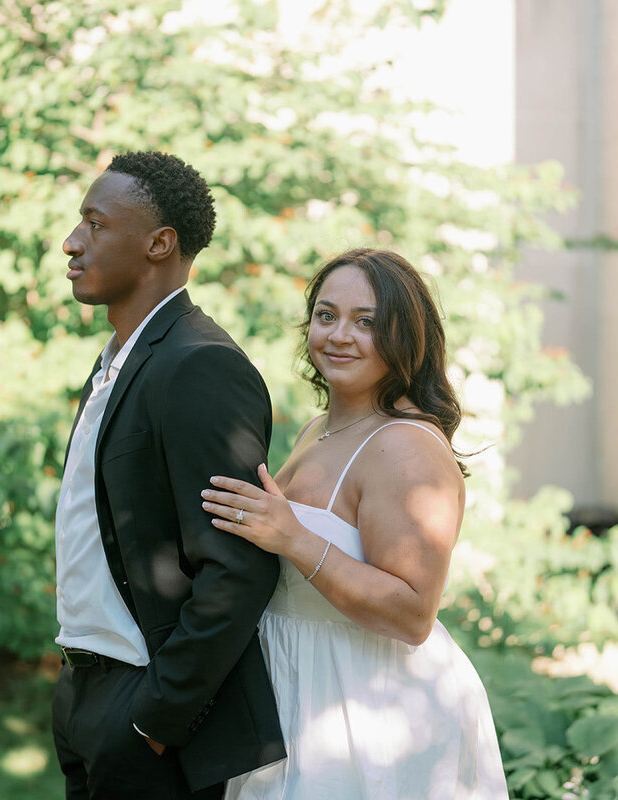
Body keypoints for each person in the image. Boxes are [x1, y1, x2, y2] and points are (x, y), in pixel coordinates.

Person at [203, 248, 509, 799]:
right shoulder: (319, 428)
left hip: (370, 711)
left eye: (366, 322)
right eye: (327, 315)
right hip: (295, 690)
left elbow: (413, 613)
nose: (339, 335)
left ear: (406, 336)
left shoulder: (406, 449)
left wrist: (293, 538)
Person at [50, 151, 285, 799]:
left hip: (142, 710)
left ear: (160, 243)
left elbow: (238, 566)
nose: (72, 243)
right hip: (83, 694)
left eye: (96, 225)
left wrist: (157, 717)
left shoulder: (200, 366)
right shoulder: (117, 363)